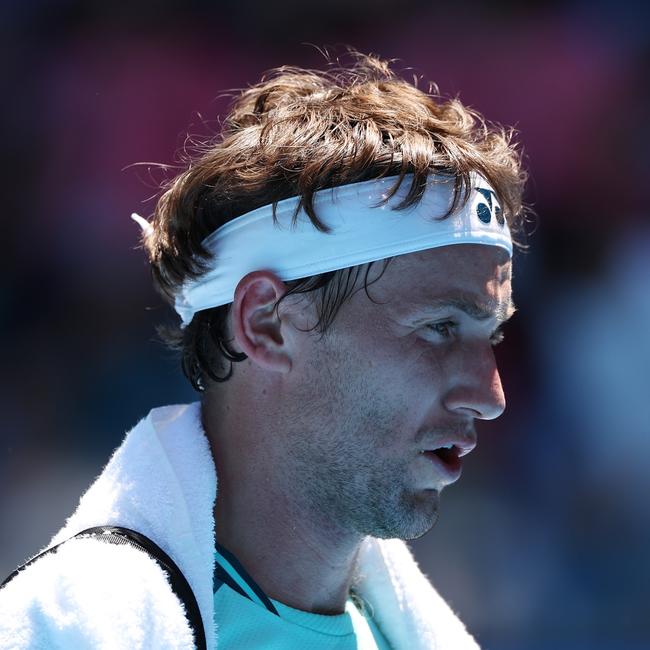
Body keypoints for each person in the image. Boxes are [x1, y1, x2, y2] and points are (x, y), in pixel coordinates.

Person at [0, 53, 527, 649]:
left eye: (493, 336)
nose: (490, 397)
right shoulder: (57, 630)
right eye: (438, 327)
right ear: (266, 323)